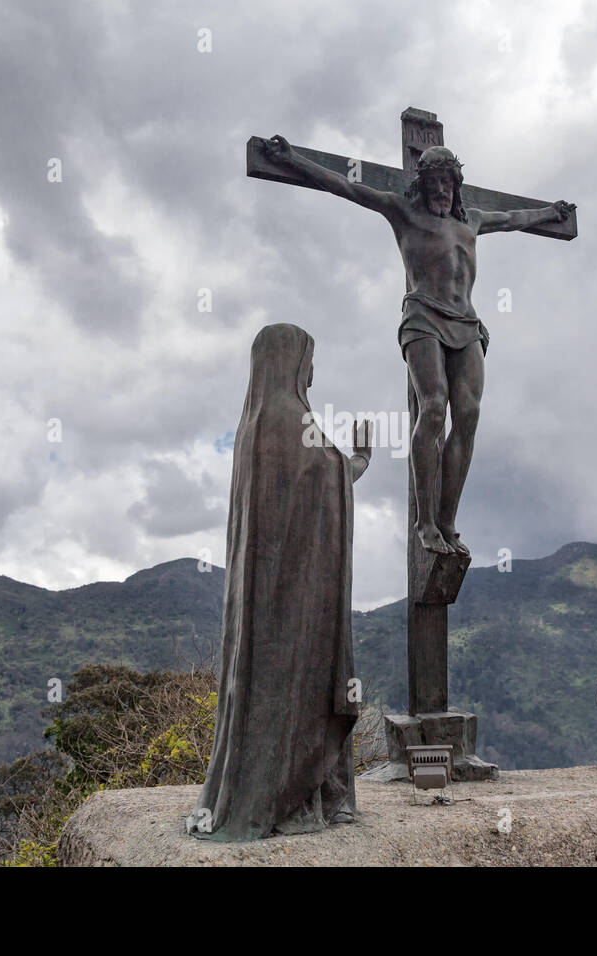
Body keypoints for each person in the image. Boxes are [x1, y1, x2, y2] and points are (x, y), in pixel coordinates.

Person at [263, 135, 573, 557]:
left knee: (468, 414)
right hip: (423, 316)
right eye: (435, 183)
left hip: (467, 324)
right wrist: (293, 158)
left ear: (456, 186)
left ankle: (447, 521)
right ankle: (425, 521)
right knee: (434, 407)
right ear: (423, 185)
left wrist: (551, 213)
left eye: (448, 183)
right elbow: (348, 186)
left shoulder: (472, 221)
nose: (442, 191)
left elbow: (516, 216)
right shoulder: (403, 212)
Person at [190, 323, 373, 840]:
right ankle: (293, 799)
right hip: (298, 606)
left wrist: (341, 465)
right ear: (294, 362)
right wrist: (358, 459)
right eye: (308, 360)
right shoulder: (293, 419)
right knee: (304, 689)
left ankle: (311, 795)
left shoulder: (251, 426)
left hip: (263, 609)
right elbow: (328, 478)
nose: (312, 372)